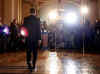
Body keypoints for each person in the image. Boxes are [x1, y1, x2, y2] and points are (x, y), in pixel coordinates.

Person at [23, 8, 41, 72]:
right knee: (35, 52)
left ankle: (29, 64)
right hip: (35, 39)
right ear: (35, 12)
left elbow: (24, 29)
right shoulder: (37, 19)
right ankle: (34, 65)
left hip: (28, 39)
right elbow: (39, 30)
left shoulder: (26, 19)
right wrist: (39, 39)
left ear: (29, 12)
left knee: (28, 52)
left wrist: (24, 38)